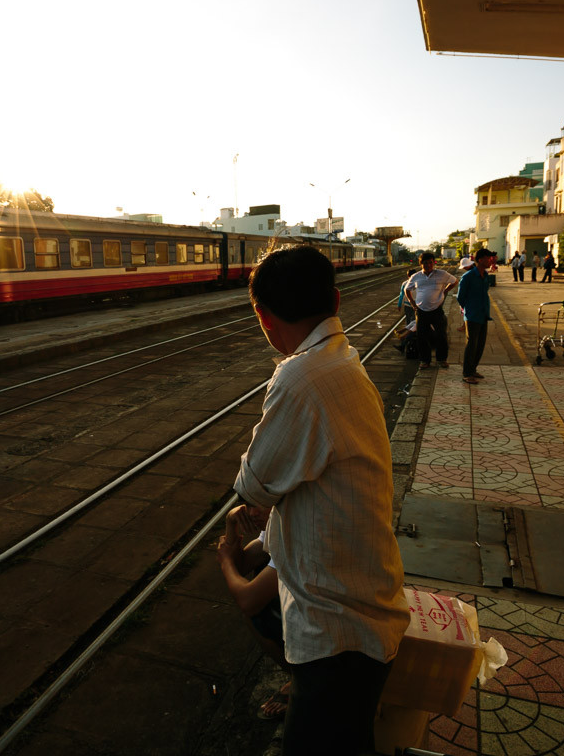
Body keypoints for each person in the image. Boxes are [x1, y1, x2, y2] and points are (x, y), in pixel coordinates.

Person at [232, 244, 410, 756]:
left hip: (338, 636)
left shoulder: (300, 375)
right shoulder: (342, 360)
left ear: (264, 318)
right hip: (361, 611)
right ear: (335, 299)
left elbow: (253, 483)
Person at [216, 503, 290, 718]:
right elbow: (243, 564)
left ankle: (303, 680)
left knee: (255, 610)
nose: (251, 513)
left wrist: (226, 562)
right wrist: (231, 524)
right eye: (247, 505)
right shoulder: (276, 518)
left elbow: (248, 600)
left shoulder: (290, 529)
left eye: (258, 504)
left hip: (334, 631)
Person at [404, 253, 458, 368]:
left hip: (436, 310)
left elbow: (455, 281)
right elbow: (407, 289)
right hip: (421, 311)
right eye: (425, 263)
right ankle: (425, 361)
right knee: (422, 336)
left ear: (434, 263)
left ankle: (442, 359)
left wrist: (445, 290)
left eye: (430, 262)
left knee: (441, 335)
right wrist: (413, 303)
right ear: (421, 264)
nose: (428, 265)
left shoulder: (442, 274)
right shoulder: (416, 277)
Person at [457, 248, 494, 384]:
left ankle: (473, 369)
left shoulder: (485, 275)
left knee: (480, 344)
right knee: (472, 344)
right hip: (472, 316)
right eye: (488, 258)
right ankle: (467, 373)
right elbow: (460, 298)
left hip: (484, 314)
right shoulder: (468, 277)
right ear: (480, 260)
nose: (490, 261)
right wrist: (470, 309)